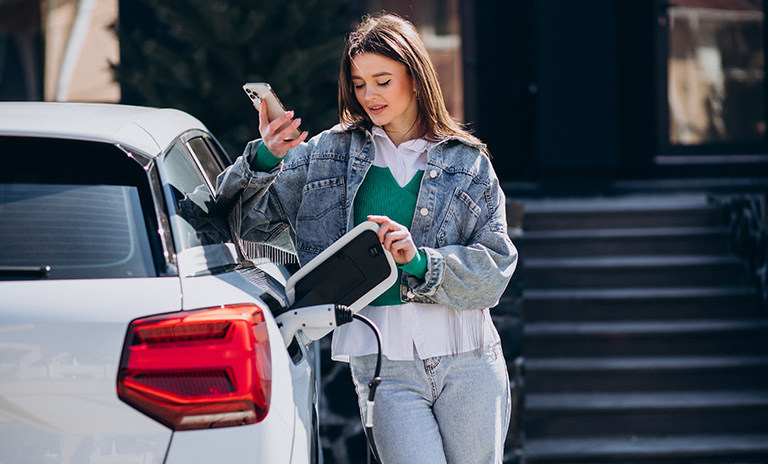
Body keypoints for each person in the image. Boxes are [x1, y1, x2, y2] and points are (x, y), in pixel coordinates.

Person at [216, 12, 518, 464]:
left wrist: (421, 262)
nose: (369, 95)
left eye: (382, 80)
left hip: (471, 361)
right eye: (359, 84)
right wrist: (263, 157)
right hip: (388, 371)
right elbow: (239, 221)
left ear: (415, 79)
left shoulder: (467, 163)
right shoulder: (327, 155)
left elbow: (494, 269)